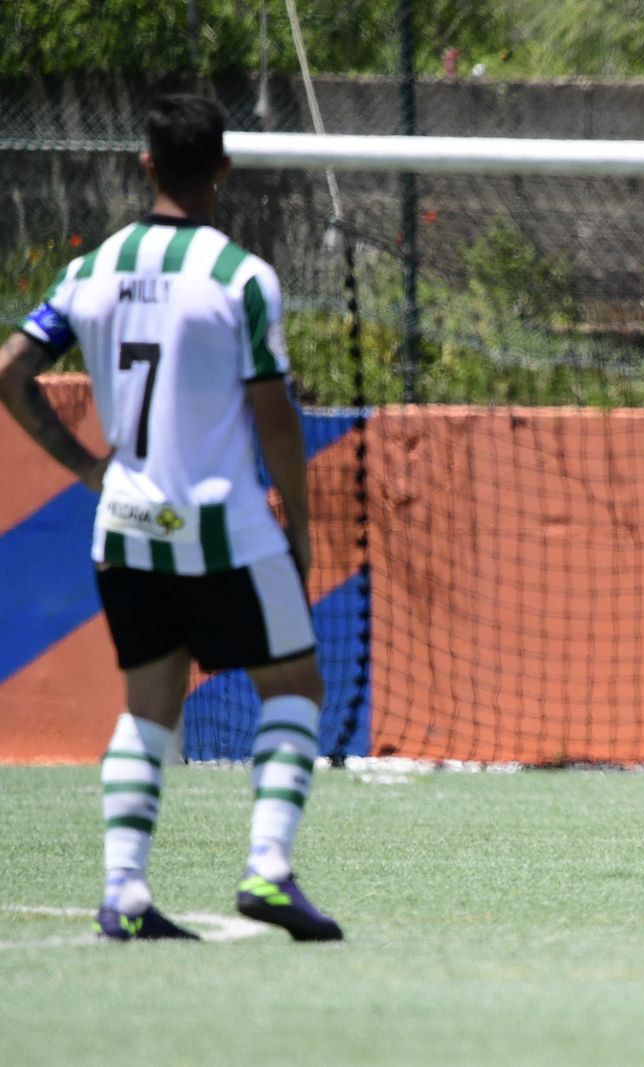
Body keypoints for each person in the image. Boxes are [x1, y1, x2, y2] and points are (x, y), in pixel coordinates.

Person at [0, 94, 341, 941]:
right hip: (221, 521)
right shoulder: (240, 278)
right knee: (294, 686)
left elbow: (12, 370)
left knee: (148, 701)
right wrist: (297, 520)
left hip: (123, 523)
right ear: (223, 169)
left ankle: (123, 889)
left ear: (145, 163)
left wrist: (86, 467)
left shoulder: (92, 269)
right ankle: (266, 869)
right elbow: (274, 415)